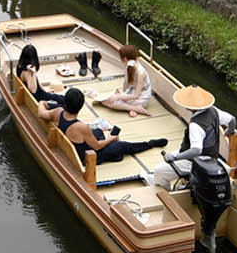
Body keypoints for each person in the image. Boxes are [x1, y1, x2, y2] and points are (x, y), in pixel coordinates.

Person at [37, 88, 167, 164]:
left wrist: (42, 102)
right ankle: (151, 144)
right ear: (81, 105)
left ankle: (116, 155)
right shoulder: (81, 127)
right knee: (122, 145)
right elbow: (97, 146)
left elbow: (41, 112)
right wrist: (112, 139)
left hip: (76, 145)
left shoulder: (58, 112)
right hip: (87, 157)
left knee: (98, 130)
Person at [93, 44, 154, 117]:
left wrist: (119, 97)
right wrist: (123, 94)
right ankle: (132, 108)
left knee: (109, 102)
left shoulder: (141, 73)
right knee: (105, 101)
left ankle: (136, 108)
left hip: (141, 98)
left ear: (124, 59)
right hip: (131, 93)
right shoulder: (128, 66)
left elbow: (136, 96)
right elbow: (126, 84)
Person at [15, 43, 64, 108]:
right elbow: (33, 90)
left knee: (60, 98)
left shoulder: (20, 66)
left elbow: (36, 82)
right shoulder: (28, 72)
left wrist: (45, 90)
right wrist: (34, 72)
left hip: (42, 94)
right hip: (39, 99)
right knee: (63, 104)